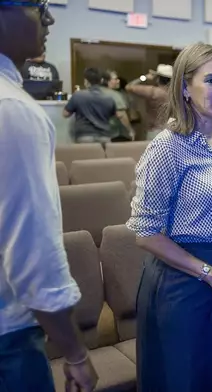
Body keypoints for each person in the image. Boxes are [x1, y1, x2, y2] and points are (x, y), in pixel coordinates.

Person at [126, 42, 212, 392]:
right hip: (181, 278)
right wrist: (211, 274)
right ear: (185, 88)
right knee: (181, 375)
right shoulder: (166, 148)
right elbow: (145, 233)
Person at [0, 1, 98, 391]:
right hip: (8, 339)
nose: (49, 16)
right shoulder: (13, 110)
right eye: (35, 4)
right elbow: (32, 253)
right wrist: (75, 352)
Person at [63, 67, 116, 144]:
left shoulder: (78, 95)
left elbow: (65, 114)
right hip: (105, 136)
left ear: (86, 81)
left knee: (86, 156)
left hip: (84, 136)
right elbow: (113, 115)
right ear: (101, 81)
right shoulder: (109, 98)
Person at [126, 63, 171, 140]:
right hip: (171, 131)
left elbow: (128, 87)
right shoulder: (175, 93)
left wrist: (144, 77)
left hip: (155, 131)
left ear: (158, 79)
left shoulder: (152, 91)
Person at [101, 69, 135, 141]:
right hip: (115, 134)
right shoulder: (115, 95)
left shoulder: (97, 93)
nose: (118, 81)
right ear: (107, 81)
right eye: (115, 79)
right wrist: (130, 130)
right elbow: (121, 114)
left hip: (101, 134)